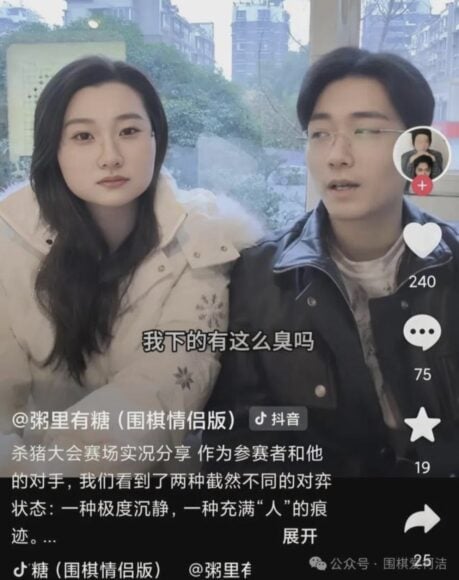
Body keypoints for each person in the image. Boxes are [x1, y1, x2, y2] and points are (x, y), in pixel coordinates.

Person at [0, 56, 261, 476]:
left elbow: (160, 390)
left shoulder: (201, 241)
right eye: (83, 136)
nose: (110, 157)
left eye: (129, 131)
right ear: (54, 149)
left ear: (157, 138)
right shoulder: (8, 244)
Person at [204, 47, 459, 477]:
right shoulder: (260, 277)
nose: (336, 155)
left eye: (365, 131)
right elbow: (240, 436)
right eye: (320, 134)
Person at [401, 128, 443, 192]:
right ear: (413, 142)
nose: (423, 145)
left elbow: (438, 177)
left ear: (430, 143)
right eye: (419, 141)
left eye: (426, 141)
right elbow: (404, 179)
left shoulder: (436, 155)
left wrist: (434, 160)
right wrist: (411, 162)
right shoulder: (406, 156)